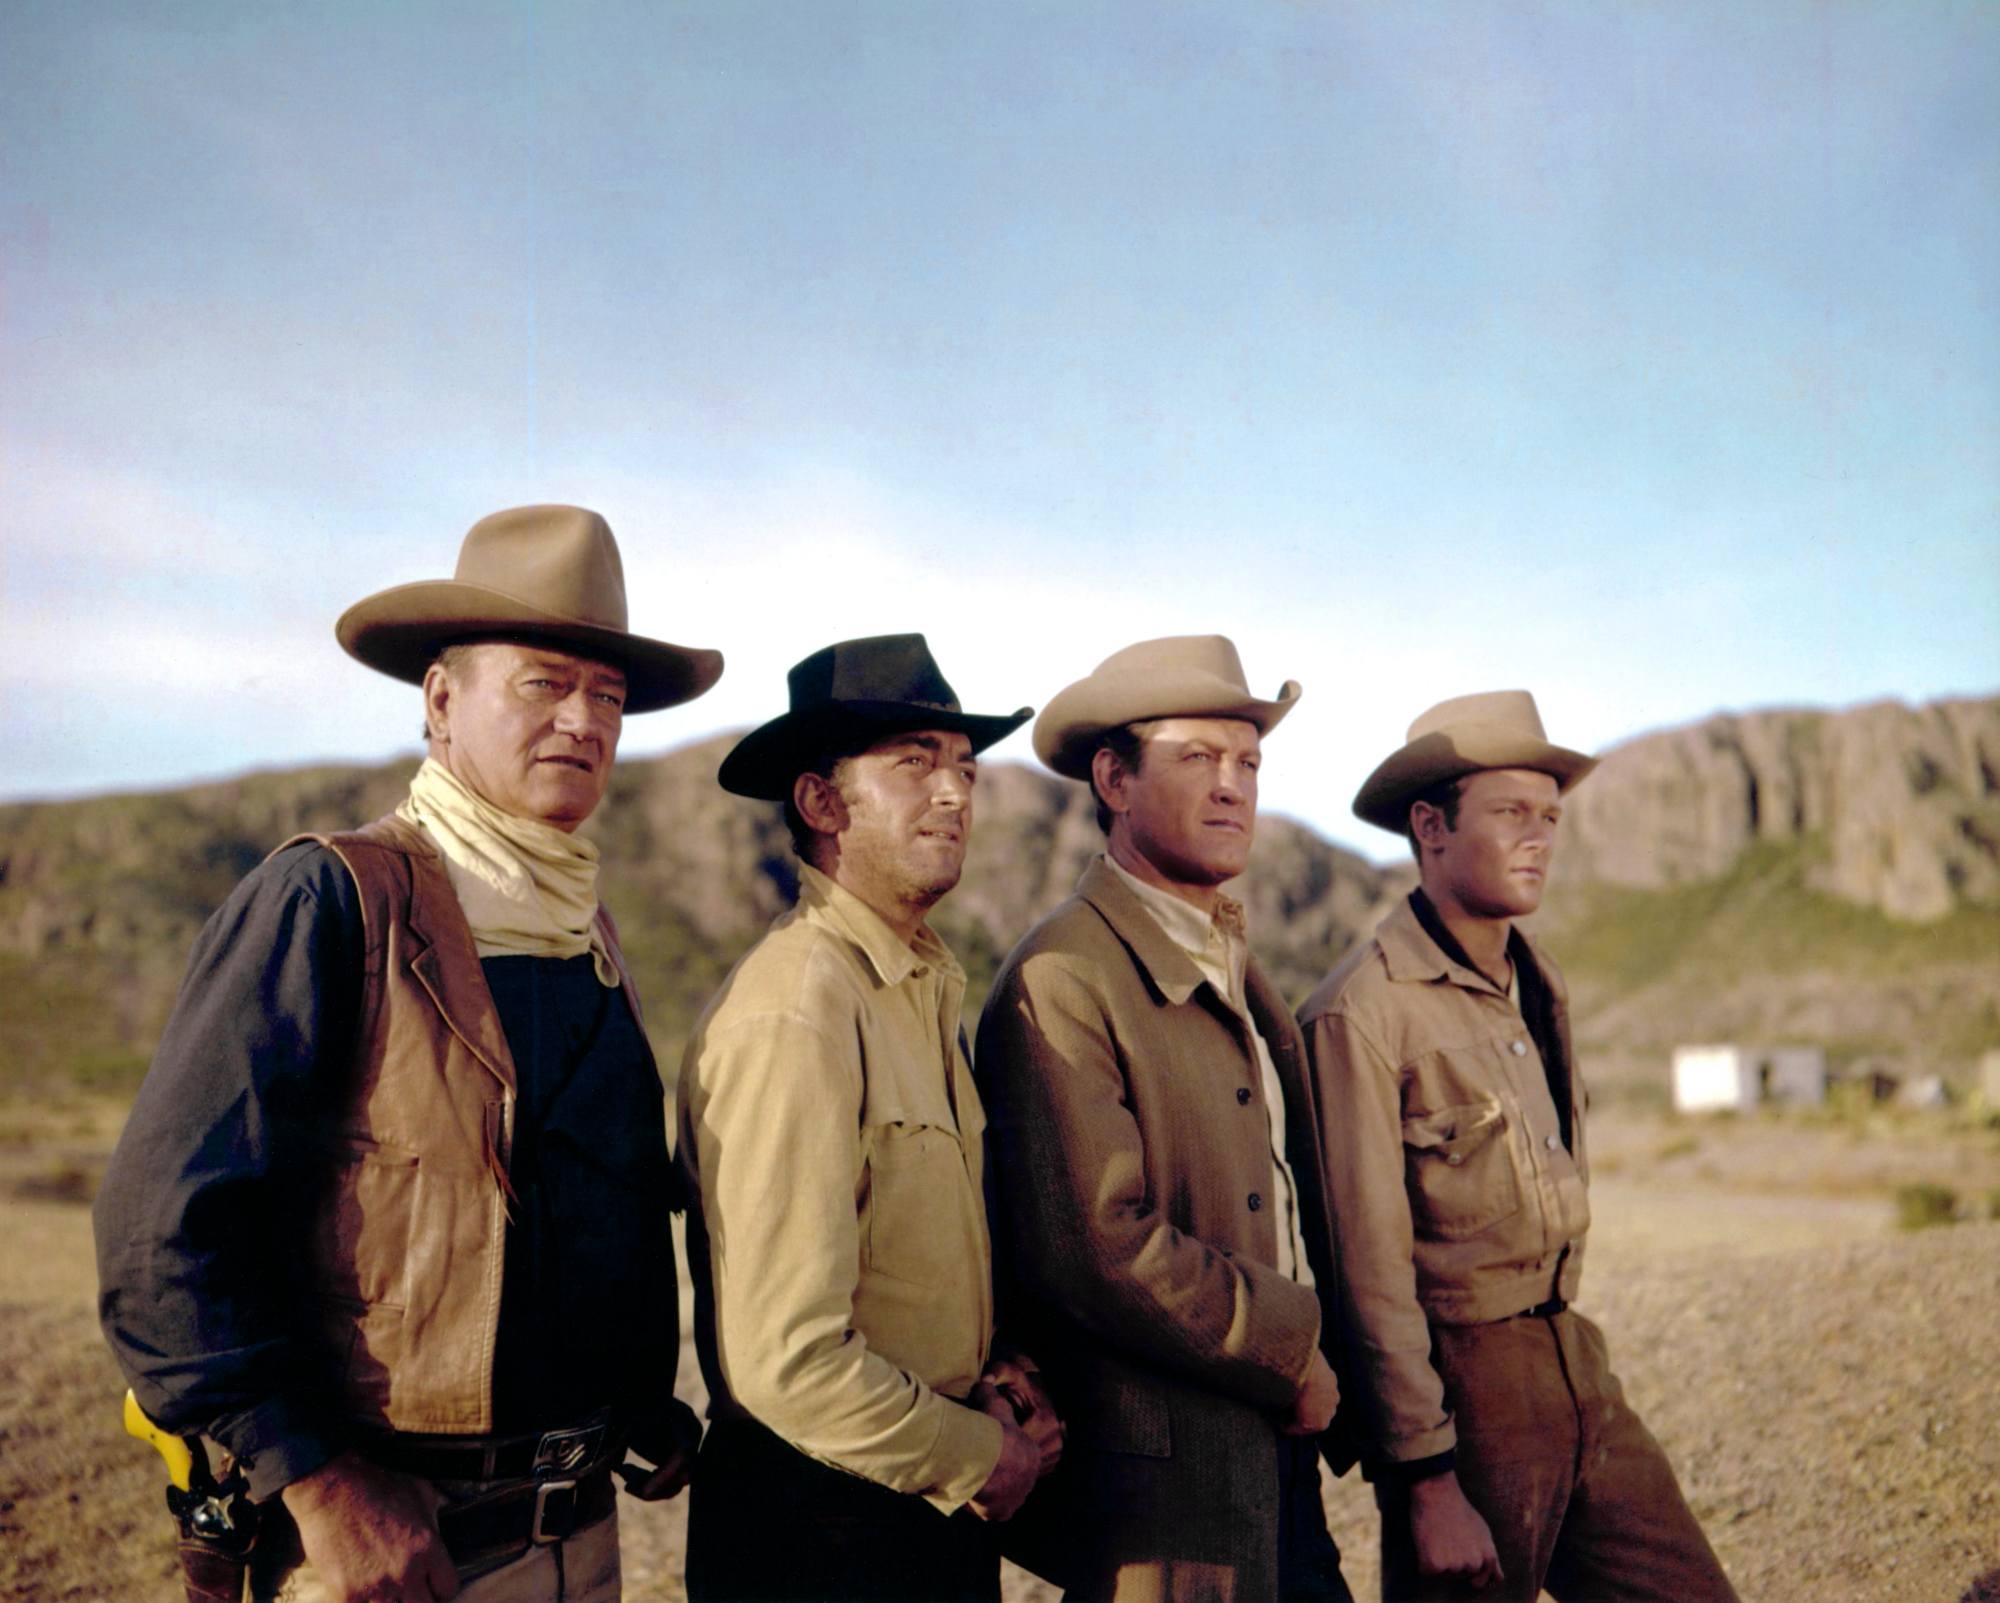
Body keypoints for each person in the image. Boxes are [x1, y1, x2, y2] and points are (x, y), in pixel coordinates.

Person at [93, 504, 720, 1603]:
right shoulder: (331, 899)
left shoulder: (585, 935)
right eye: (543, 682)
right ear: (441, 701)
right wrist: (322, 1488)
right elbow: (160, 1238)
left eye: (608, 696)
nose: (584, 719)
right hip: (390, 1553)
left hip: (578, 1532)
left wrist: (636, 1401)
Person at [1298, 690, 1740, 1603]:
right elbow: (1369, 1277)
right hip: (1465, 1393)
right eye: (1509, 814)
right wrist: (1424, 1477)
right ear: (1431, 826)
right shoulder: (1363, 1011)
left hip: (1574, 1351)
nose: (1539, 837)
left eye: (1549, 816)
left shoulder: (1537, 980)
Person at [677, 634, 1062, 1603]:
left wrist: (993, 1368)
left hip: (907, 1510)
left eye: (964, 768)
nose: (954, 794)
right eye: (912, 763)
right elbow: (787, 1361)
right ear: (819, 802)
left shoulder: (911, 989)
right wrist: (984, 1453)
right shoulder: (798, 1006)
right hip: (817, 1529)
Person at [975, 635, 1353, 1603]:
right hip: (1166, 1495)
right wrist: (1290, 1349)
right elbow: (1095, 1249)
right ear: (1113, 776)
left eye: (1248, 762)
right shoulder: (1062, 975)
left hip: (1273, 1459)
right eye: (1196, 758)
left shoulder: (1231, 957)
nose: (1232, 786)